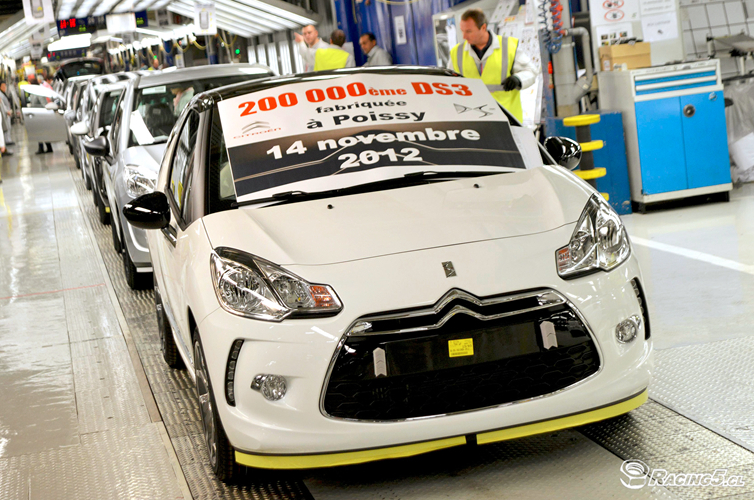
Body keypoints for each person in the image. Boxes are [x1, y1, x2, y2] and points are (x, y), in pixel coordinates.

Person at [447, 9, 538, 123]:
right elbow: (447, 83)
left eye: (469, 31)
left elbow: (531, 71)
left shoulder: (508, 47)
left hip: (507, 120)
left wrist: (518, 79)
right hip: (473, 120)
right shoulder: (457, 52)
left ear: (483, 27)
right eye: (462, 31)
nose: (464, 36)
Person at [28, 74, 52, 154]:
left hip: (40, 115)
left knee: (41, 132)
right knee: (40, 132)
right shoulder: (32, 92)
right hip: (36, 115)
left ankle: (44, 148)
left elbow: (44, 104)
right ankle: (46, 147)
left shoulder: (38, 92)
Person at [0, 82, 15, 148]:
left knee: (8, 127)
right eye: (3, 86)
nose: (4, 88)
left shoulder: (3, 93)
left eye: (5, 86)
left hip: (6, 113)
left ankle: (7, 139)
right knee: (6, 127)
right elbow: (2, 105)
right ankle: (6, 140)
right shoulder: (0, 94)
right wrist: (7, 111)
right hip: (4, 113)